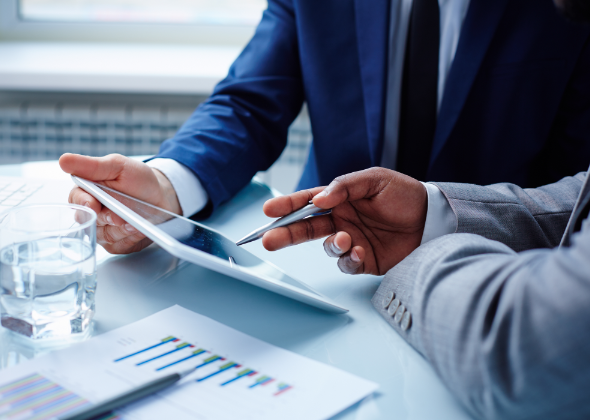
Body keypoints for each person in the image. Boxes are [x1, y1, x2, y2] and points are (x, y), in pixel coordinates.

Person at [259, 1, 590, 416]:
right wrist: (434, 211)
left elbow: (522, 351)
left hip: (469, 333)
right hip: (332, 290)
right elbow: (579, 198)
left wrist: (427, 240)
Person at [61, 0, 590, 254]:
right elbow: (249, 102)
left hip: (492, 266)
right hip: (325, 252)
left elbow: (574, 184)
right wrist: (166, 186)